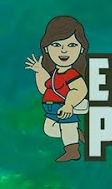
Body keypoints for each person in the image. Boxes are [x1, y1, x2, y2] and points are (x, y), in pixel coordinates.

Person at [26, 16, 89, 163]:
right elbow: (44, 88)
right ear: (47, 48)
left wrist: (68, 105)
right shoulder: (55, 73)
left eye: (72, 45)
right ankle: (74, 133)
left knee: (67, 128)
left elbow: (79, 89)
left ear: (81, 49)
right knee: (49, 130)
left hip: (64, 108)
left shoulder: (71, 74)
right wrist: (39, 71)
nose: (64, 51)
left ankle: (72, 150)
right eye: (57, 45)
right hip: (51, 109)